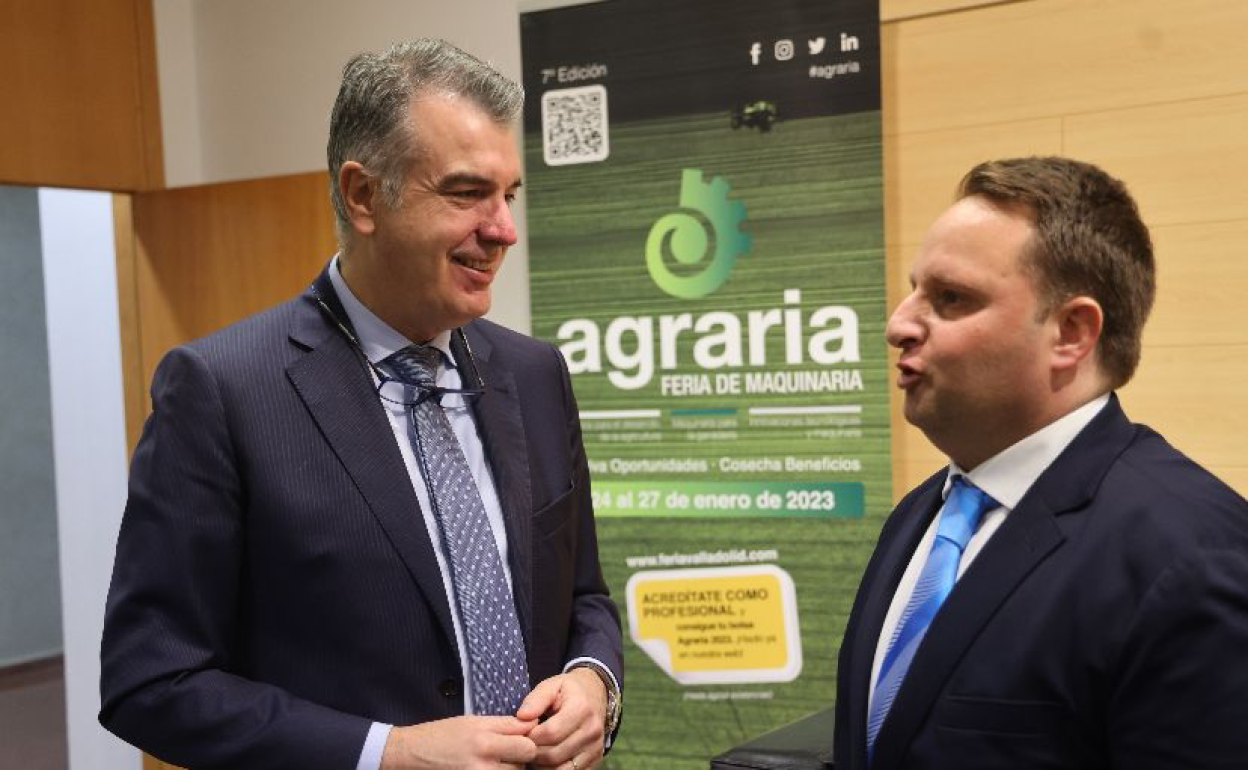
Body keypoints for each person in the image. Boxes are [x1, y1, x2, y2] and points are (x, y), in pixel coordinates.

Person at [100, 39, 622, 770]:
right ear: (363, 195)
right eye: (469, 193)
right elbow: (151, 682)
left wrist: (594, 683)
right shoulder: (221, 392)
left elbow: (584, 598)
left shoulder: (536, 375)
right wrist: (386, 753)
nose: (503, 228)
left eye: (510, 196)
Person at [834, 156, 1248, 769]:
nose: (899, 324)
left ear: (1072, 333)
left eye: (950, 298)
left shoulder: (1194, 556)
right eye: (913, 290)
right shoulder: (918, 515)